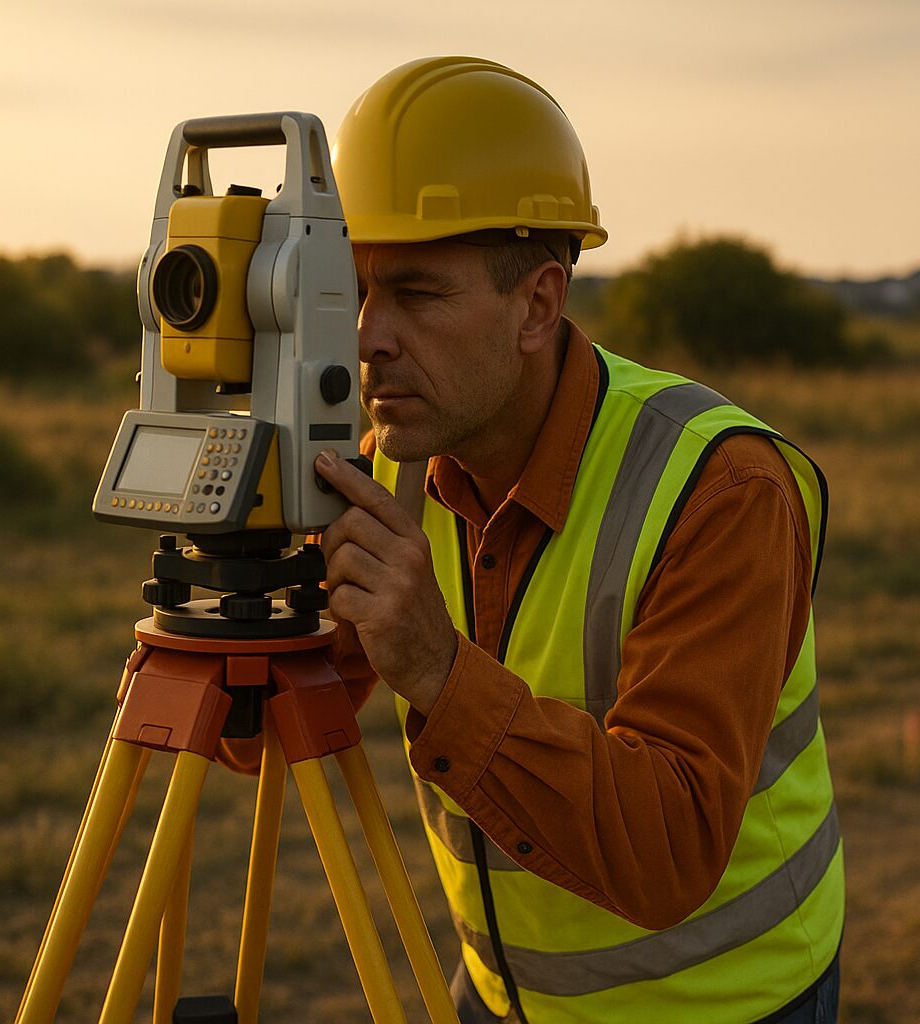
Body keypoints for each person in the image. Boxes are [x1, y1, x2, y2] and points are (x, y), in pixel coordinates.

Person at [308, 57, 843, 1024]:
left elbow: (672, 844)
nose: (367, 336)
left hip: (724, 1004)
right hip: (504, 994)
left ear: (539, 304)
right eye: (353, 291)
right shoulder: (390, 458)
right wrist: (235, 620)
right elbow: (311, 702)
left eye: (417, 294)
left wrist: (439, 670)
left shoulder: (721, 489)